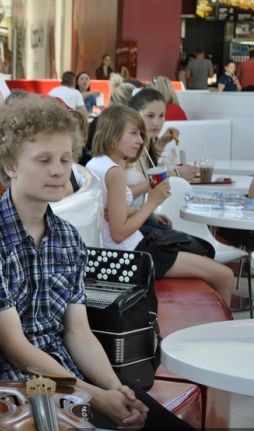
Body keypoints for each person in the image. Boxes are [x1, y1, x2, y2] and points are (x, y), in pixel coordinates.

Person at [0, 99, 199, 431]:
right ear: (10, 165)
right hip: (18, 391)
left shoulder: (66, 237)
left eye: (65, 160)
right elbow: (15, 348)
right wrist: (96, 397)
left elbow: (78, 330)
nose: (58, 171)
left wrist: (116, 390)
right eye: (44, 160)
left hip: (68, 378)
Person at [86, 105, 233, 305]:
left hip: (121, 251)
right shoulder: (115, 172)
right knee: (225, 276)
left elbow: (113, 209)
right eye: (134, 133)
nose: (140, 140)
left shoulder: (95, 164)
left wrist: (143, 201)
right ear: (113, 134)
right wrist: (152, 203)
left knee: (202, 254)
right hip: (133, 254)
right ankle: (217, 325)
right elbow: (119, 233)